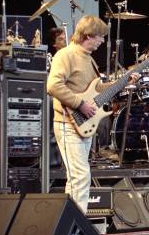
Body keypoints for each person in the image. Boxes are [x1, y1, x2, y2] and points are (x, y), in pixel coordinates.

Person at [47, 15, 140, 213]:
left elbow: (98, 90)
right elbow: (53, 85)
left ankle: (73, 223)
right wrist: (80, 104)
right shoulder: (66, 55)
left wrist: (124, 82)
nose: (103, 41)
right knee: (80, 176)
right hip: (68, 123)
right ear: (88, 35)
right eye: (100, 37)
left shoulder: (88, 59)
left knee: (79, 178)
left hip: (82, 125)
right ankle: (74, 226)